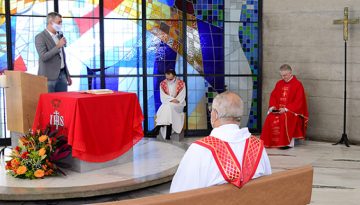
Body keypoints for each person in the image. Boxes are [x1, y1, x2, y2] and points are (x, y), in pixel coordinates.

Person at [170, 91, 271, 193]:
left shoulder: (199, 149)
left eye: (211, 111)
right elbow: (267, 185)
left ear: (215, 114)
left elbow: (179, 194)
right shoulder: (258, 146)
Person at [260, 64, 308, 149]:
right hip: (279, 109)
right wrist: (273, 107)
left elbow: (299, 101)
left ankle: (288, 143)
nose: (283, 77)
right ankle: (270, 141)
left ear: (290, 73)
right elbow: (273, 96)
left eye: (285, 75)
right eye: (281, 75)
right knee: (270, 117)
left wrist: (286, 109)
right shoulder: (279, 83)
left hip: (292, 111)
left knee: (284, 117)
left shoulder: (298, 84)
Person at [35, 12, 72, 93]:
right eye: (59, 22)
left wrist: (67, 74)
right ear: (51, 22)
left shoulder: (59, 36)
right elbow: (43, 57)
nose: (61, 24)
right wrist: (58, 46)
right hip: (48, 77)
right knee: (50, 103)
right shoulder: (40, 37)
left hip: (62, 75)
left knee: (63, 102)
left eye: (61, 22)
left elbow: (62, 57)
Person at [151, 69, 186, 140]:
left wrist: (174, 100)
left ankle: (158, 126)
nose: (168, 80)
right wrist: (172, 99)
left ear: (174, 76)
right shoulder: (162, 84)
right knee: (168, 107)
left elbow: (182, 96)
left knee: (165, 107)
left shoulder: (181, 83)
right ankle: (168, 133)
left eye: (170, 79)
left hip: (178, 104)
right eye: (167, 78)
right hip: (168, 103)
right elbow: (163, 97)